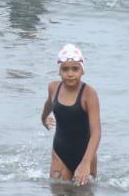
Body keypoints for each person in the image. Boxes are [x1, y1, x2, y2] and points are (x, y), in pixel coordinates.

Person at [40, 44, 101, 185]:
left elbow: (96, 132)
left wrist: (86, 162)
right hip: (60, 153)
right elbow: (49, 103)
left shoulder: (89, 94)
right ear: (59, 71)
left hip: (86, 154)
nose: (70, 73)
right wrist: (43, 118)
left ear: (82, 71)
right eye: (65, 69)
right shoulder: (53, 87)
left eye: (75, 68)